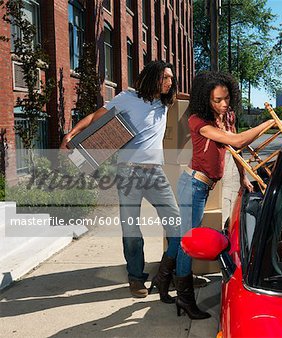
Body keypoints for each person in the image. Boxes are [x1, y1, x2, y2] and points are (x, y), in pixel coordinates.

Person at [174, 71, 282, 319]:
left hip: (204, 186)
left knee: (184, 238)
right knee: (189, 242)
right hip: (192, 185)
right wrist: (270, 123)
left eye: (226, 98)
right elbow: (237, 141)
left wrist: (242, 177)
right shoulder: (198, 121)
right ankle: (183, 298)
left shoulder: (227, 117)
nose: (223, 104)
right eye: (217, 100)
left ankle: (165, 280)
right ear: (205, 100)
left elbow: (237, 151)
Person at [61, 61, 180, 302]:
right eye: (166, 77)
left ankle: (166, 274)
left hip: (155, 173)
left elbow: (186, 96)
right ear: (153, 77)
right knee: (132, 229)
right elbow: (97, 117)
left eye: (171, 79)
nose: (170, 82)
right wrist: (72, 134)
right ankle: (136, 277)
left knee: (177, 224)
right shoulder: (128, 98)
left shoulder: (165, 102)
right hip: (129, 173)